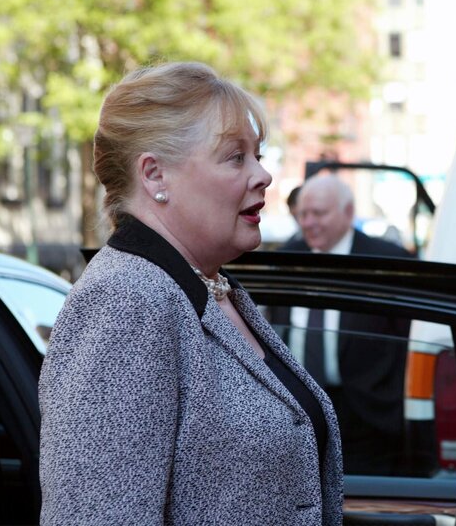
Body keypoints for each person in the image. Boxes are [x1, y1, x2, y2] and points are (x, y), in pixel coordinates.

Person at [38, 62, 343, 525]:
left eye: (257, 154)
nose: (263, 175)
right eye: (235, 157)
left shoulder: (212, 287)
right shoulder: (126, 299)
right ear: (155, 175)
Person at [268, 173, 413, 475]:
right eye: (303, 214)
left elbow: (408, 340)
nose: (308, 222)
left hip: (367, 415)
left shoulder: (385, 261)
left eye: (318, 213)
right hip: (299, 411)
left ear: (348, 212)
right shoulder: (285, 260)